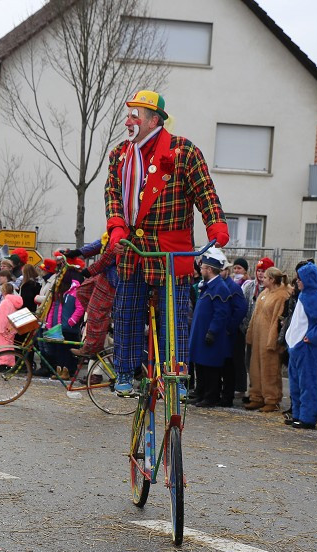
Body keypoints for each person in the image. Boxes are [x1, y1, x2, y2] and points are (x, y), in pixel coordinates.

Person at [104, 89, 229, 395]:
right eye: (128, 114)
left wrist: (215, 224)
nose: (128, 121)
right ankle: (125, 371)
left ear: (154, 120)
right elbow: (113, 196)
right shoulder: (120, 154)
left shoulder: (183, 151)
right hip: (133, 249)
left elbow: (205, 192)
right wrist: (117, 228)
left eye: (135, 115)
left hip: (170, 251)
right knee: (126, 310)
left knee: (173, 317)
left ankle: (174, 376)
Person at [285, 263, 317, 429]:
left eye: (300, 279)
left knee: (308, 383)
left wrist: (312, 337)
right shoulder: (303, 295)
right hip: (296, 346)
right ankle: (298, 414)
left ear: (307, 279)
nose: (297, 282)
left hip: (307, 347)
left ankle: (307, 417)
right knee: (295, 383)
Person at [189, 254, 239, 407]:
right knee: (201, 364)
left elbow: (221, 313)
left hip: (210, 334)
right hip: (201, 332)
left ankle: (210, 396)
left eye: (203, 267)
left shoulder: (220, 288)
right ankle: (201, 392)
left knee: (210, 366)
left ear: (209, 269)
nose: (201, 270)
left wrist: (213, 331)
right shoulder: (208, 285)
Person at [244, 267, 289, 411]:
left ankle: (272, 399)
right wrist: (250, 334)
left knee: (270, 369)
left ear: (272, 279)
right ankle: (256, 396)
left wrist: (273, 339)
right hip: (258, 338)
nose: (262, 279)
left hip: (269, 339)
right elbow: (255, 315)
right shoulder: (264, 293)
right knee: (255, 367)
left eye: (265, 277)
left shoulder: (281, 295)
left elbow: (278, 320)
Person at [69, 234, 118, 358]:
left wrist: (89, 270)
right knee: (83, 291)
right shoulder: (114, 228)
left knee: (95, 310)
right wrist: (78, 252)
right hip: (105, 274)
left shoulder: (121, 228)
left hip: (113, 277)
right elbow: (101, 243)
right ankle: (102, 323)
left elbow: (108, 256)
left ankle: (92, 346)